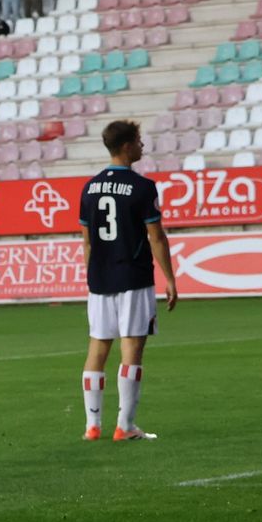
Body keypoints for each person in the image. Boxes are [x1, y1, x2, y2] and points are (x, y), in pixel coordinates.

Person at [78, 119, 176, 442]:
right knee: (131, 348)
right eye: (138, 140)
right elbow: (156, 237)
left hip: (100, 279)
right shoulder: (142, 187)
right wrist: (170, 278)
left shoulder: (89, 188)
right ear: (126, 146)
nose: (142, 146)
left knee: (98, 346)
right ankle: (125, 426)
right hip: (133, 276)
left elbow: (87, 242)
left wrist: (93, 275)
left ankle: (92, 426)